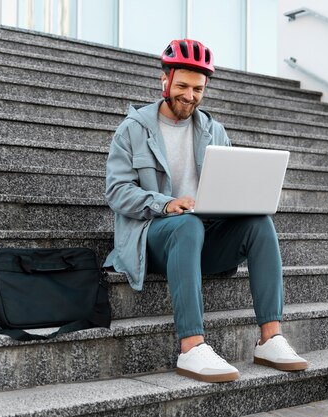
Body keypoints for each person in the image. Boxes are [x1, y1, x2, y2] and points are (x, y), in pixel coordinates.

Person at [103, 38, 307, 383]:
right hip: (151, 238)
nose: (190, 95)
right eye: (182, 85)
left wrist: (234, 204)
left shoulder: (214, 130)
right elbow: (117, 191)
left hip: (199, 238)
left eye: (198, 88)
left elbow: (229, 185)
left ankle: (270, 337)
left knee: (258, 222)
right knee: (186, 225)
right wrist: (166, 204)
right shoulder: (133, 129)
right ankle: (191, 346)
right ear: (164, 81)